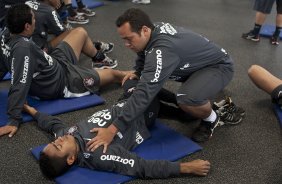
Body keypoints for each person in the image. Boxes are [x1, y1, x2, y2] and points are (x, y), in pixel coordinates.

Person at [86, 8, 245, 148]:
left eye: (129, 38)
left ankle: (212, 119)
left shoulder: (161, 52)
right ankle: (196, 102)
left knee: (186, 98)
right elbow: (143, 51)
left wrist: (113, 129)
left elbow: (143, 95)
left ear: (145, 30)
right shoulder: (152, 30)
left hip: (219, 67)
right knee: (136, 79)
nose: (126, 44)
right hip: (198, 65)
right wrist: (138, 71)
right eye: (124, 39)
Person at [23, 79, 211, 179]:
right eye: (58, 146)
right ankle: (185, 103)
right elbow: (141, 167)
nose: (58, 140)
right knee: (141, 83)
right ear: (71, 158)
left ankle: (182, 111)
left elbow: (53, 125)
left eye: (53, 142)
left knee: (131, 81)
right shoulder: (98, 154)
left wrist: (33, 112)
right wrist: (186, 168)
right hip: (143, 115)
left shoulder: (65, 136)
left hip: (125, 102)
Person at [0, 4, 127, 138]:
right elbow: (20, 82)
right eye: (33, 19)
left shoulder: (5, 33)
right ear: (26, 27)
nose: (35, 20)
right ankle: (145, 79)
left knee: (80, 32)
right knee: (115, 74)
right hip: (63, 81)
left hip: (56, 62)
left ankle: (98, 59)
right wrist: (14, 119)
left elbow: (1, 63)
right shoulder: (22, 49)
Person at [25, 0, 116, 69]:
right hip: (38, 53)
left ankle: (95, 46)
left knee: (63, 29)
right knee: (76, 32)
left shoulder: (28, 3)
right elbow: (67, 35)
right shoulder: (49, 11)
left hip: (23, 50)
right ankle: (98, 58)